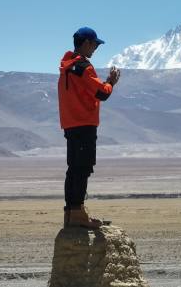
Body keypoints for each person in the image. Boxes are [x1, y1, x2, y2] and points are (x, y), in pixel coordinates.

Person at [58, 26, 120, 228]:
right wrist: (111, 82)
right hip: (84, 124)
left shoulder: (66, 67)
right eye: (94, 45)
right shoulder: (84, 67)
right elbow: (102, 93)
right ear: (85, 43)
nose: (95, 49)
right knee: (83, 168)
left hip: (70, 124)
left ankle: (70, 213)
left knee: (73, 169)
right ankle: (78, 213)